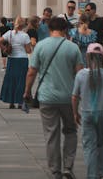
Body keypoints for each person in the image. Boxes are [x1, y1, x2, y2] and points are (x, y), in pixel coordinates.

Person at [24, 15, 83, 179]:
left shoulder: (41, 46)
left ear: (49, 29)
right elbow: (80, 74)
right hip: (69, 98)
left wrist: (27, 91)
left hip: (47, 97)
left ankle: (55, 171)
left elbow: (31, 72)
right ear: (65, 30)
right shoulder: (73, 48)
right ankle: (68, 168)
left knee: (51, 135)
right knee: (71, 131)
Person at [72, 42, 103, 179]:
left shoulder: (80, 75)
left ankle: (92, 175)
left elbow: (74, 97)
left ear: (87, 57)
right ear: (102, 58)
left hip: (86, 113)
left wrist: (75, 113)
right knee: (102, 143)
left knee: (89, 145)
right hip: (102, 112)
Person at [0, 16, 32, 110]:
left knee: (11, 80)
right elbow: (28, 50)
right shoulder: (25, 36)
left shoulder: (9, 33)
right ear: (23, 25)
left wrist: (5, 49)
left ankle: (11, 101)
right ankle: (20, 102)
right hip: (22, 59)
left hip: (12, 59)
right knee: (21, 81)